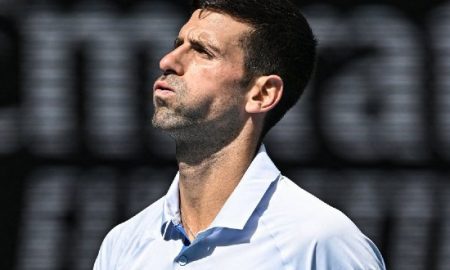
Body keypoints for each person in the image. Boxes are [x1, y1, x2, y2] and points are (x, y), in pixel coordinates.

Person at [94, 0, 386, 269]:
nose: (168, 61)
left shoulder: (320, 242)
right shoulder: (122, 244)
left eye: (203, 51)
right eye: (178, 43)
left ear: (262, 94)